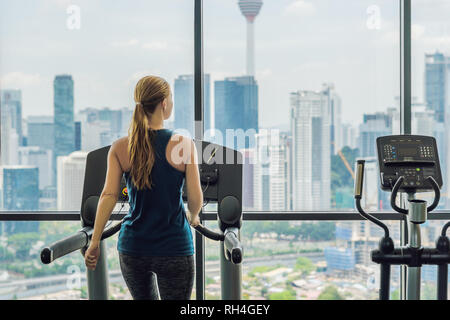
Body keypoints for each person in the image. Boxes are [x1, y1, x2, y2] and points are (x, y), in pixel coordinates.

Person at [84, 75, 203, 300]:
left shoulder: (120, 147)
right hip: (174, 246)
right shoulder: (183, 145)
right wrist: (193, 215)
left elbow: (108, 195)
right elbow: (196, 197)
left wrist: (95, 241)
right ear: (164, 104)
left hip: (133, 247)